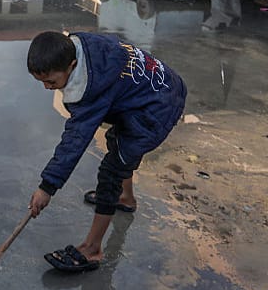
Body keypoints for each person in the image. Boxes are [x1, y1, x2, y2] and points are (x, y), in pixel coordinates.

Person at [26, 31, 186, 272]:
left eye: (51, 82)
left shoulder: (91, 88)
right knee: (117, 143)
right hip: (159, 86)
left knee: (111, 173)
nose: (47, 87)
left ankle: (92, 249)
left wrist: (47, 187)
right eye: (42, 82)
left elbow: (75, 140)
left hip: (157, 109)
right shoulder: (85, 46)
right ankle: (126, 198)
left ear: (72, 65)